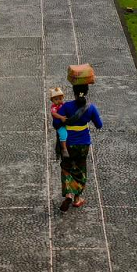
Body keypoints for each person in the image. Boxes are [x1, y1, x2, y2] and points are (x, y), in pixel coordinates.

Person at [58, 83, 103, 212]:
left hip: (67, 143)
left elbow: (56, 122)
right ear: (86, 92)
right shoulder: (91, 108)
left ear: (74, 92)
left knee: (66, 167)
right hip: (83, 144)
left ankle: (68, 194)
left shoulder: (66, 106)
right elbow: (99, 125)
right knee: (80, 168)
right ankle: (77, 199)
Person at [50, 87, 70, 158]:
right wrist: (61, 117)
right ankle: (64, 149)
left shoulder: (62, 105)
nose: (58, 101)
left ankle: (61, 148)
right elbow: (54, 113)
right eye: (56, 99)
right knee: (62, 134)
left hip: (63, 123)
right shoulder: (54, 107)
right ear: (52, 100)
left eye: (60, 99)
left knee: (62, 136)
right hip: (58, 124)